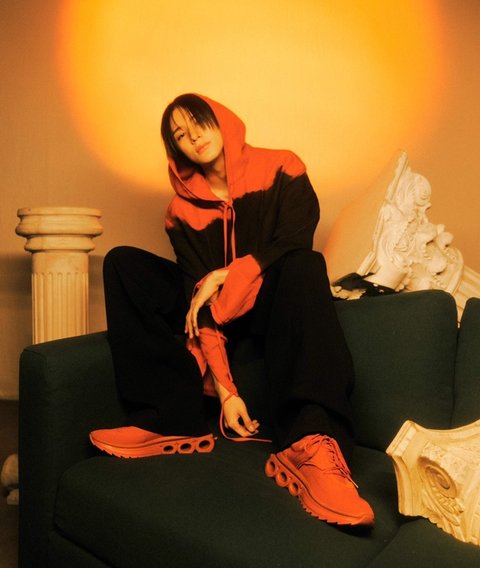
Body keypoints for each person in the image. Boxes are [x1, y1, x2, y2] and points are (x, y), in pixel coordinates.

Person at [90, 94, 374, 527]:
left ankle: (312, 440)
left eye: (198, 122)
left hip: (273, 301)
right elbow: (197, 298)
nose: (193, 137)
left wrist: (226, 274)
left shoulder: (283, 168)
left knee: (304, 263)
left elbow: (294, 242)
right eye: (179, 135)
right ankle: (167, 417)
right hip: (219, 315)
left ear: (220, 119)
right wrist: (225, 390)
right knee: (123, 263)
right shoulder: (180, 211)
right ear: (175, 149)